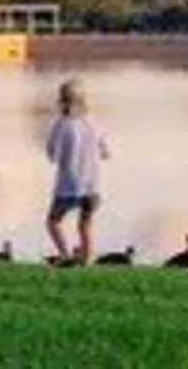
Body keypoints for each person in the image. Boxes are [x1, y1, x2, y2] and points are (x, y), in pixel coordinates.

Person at [45, 78, 109, 267]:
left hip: (69, 185)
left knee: (53, 221)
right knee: (85, 226)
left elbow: (53, 154)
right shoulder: (92, 123)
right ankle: (86, 260)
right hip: (93, 185)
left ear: (61, 101)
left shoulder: (62, 124)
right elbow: (105, 151)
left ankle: (65, 255)